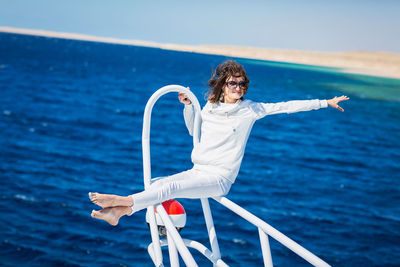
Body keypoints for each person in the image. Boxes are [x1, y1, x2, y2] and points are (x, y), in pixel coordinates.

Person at [89, 60, 349, 226]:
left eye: (242, 83)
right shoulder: (211, 107)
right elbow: (194, 130)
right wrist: (189, 107)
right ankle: (120, 213)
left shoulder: (251, 110)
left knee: (173, 186)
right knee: (159, 183)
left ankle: (122, 201)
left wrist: (324, 102)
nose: (238, 87)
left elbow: (286, 106)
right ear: (223, 85)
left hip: (220, 177)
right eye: (233, 82)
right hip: (198, 170)